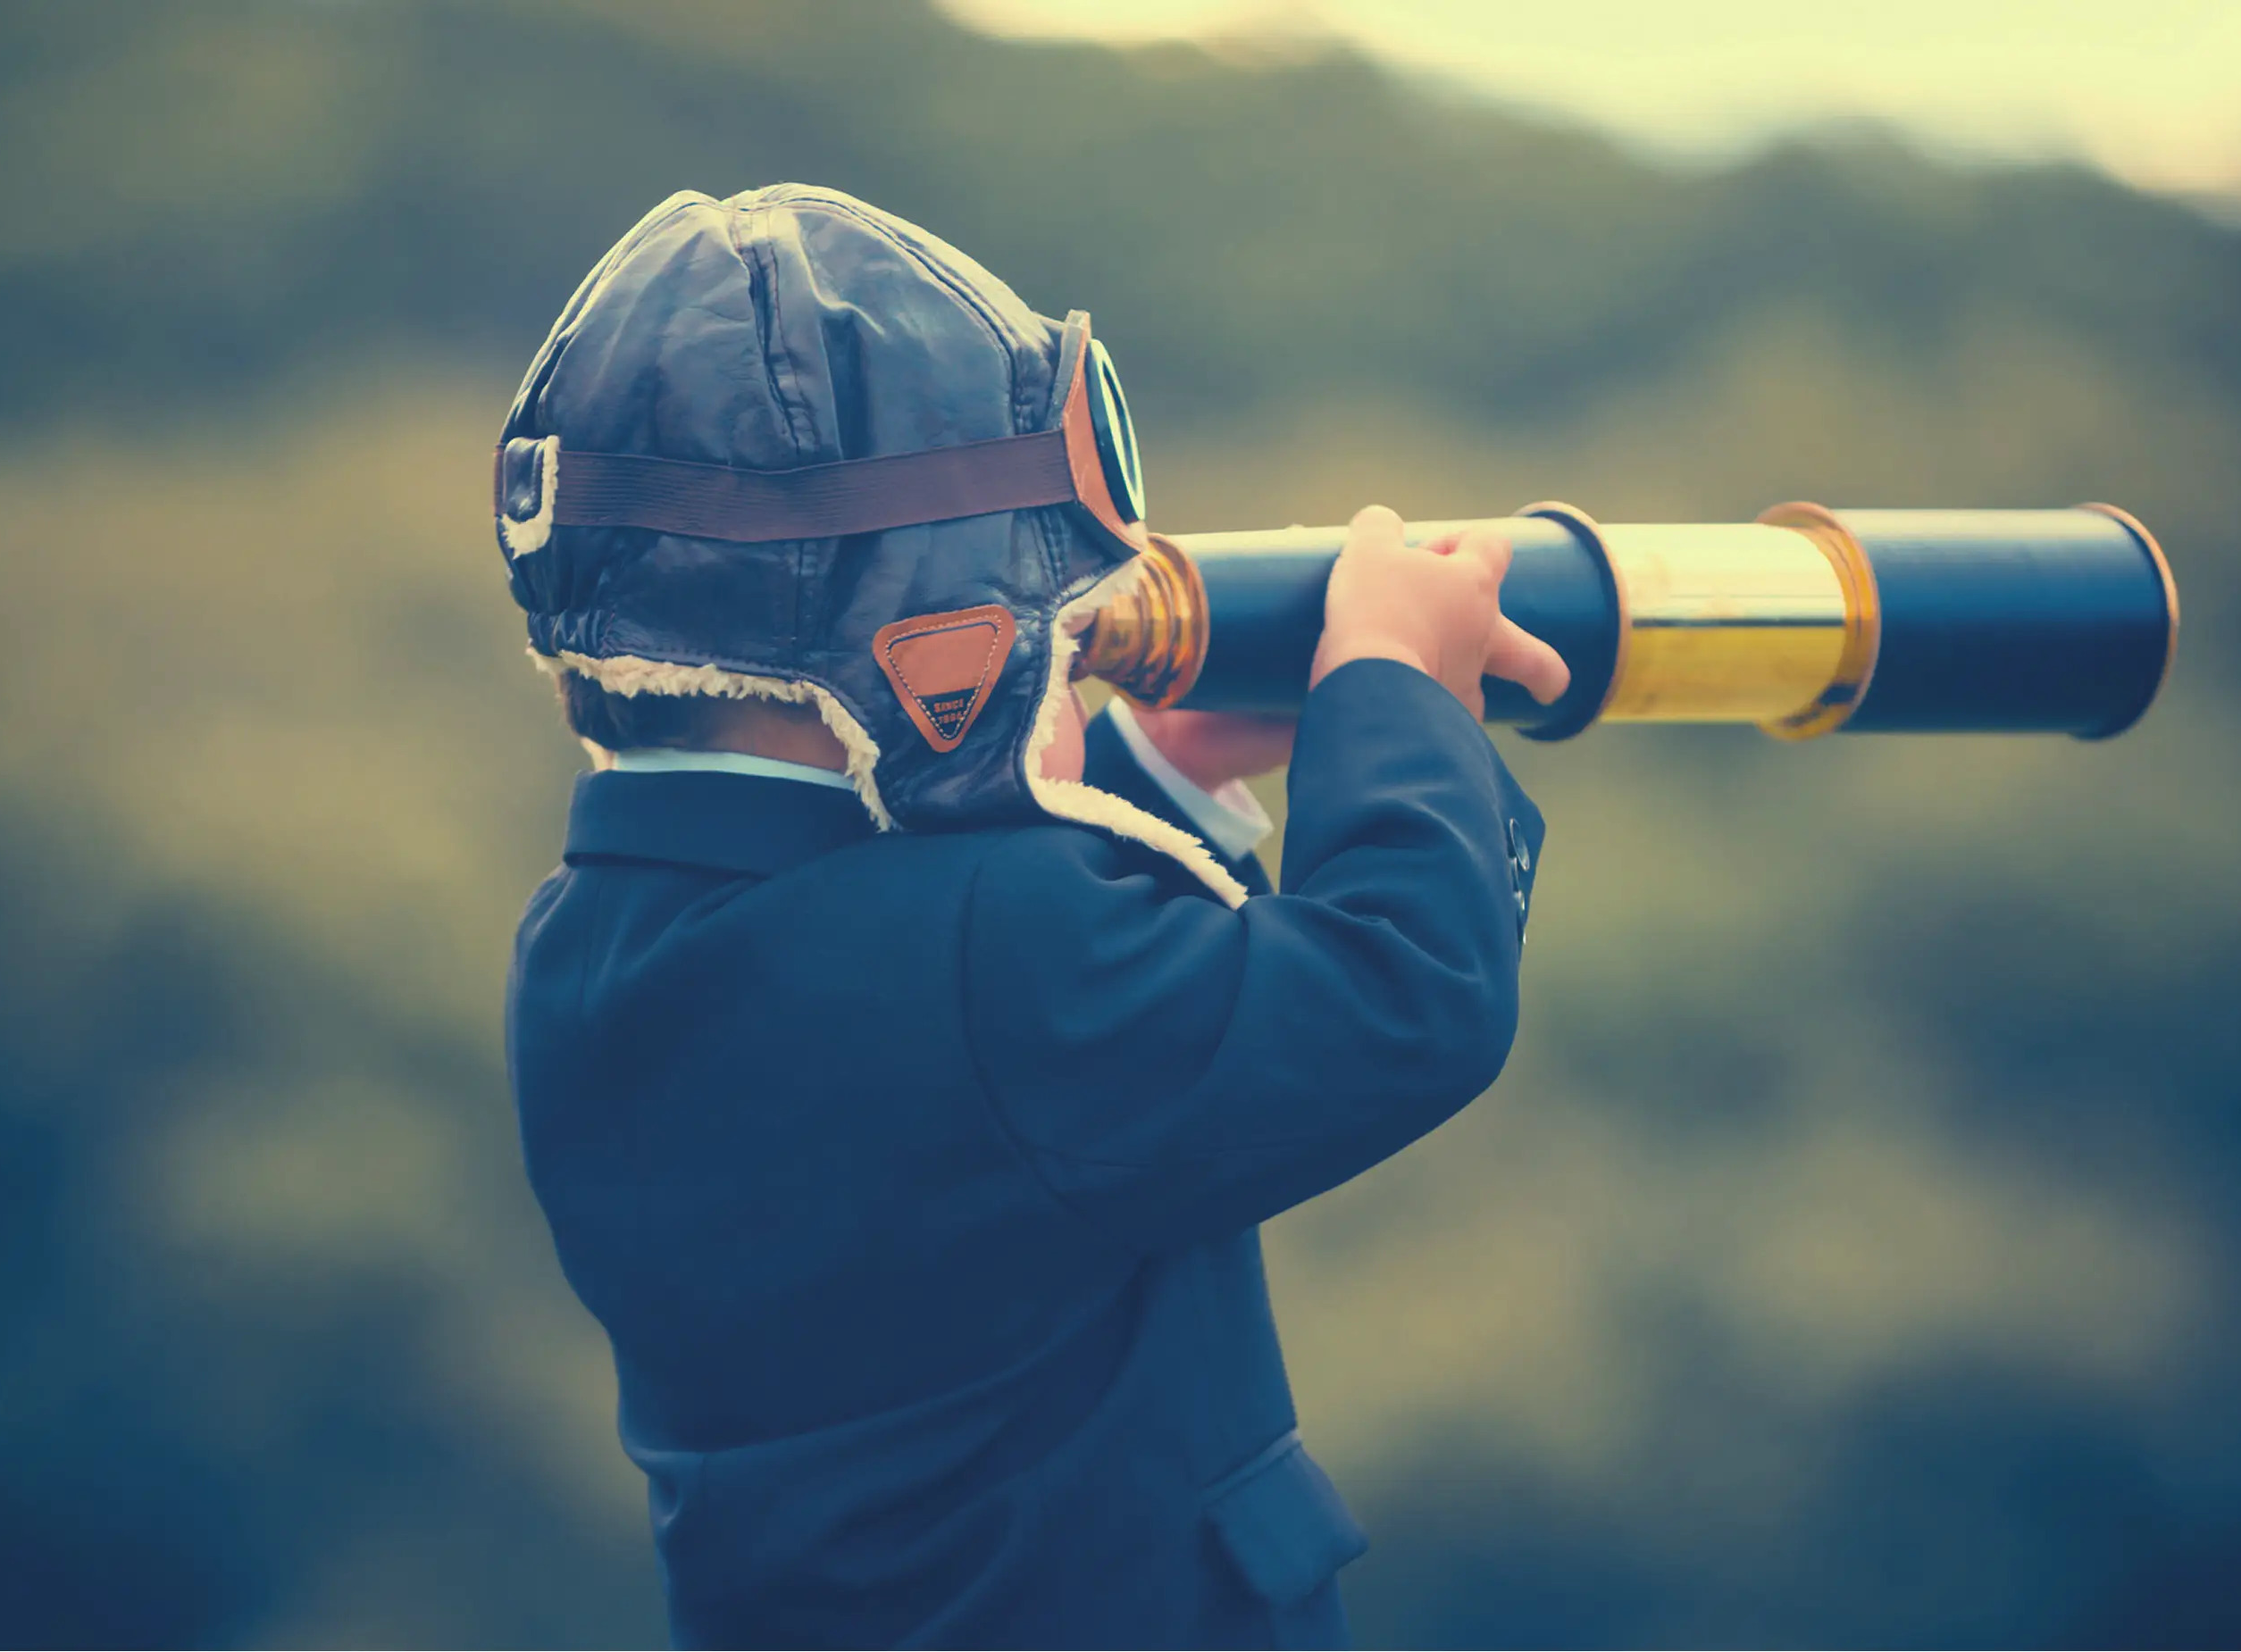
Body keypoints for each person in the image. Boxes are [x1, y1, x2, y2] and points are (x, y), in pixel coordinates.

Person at [498, 185, 1567, 1649]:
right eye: (1049, 631)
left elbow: (980, 1079)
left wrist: (1162, 772)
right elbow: (1407, 993)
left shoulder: (588, 956)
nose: (1069, 664)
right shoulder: (993, 955)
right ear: (916, 640)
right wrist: (1393, 681)